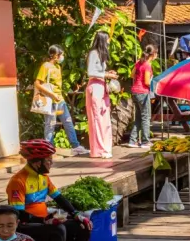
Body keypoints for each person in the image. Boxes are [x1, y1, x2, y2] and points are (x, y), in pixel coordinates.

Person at [7, 139, 93, 241]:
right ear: (37, 162)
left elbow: (59, 198)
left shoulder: (43, 177)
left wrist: (76, 214)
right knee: (58, 230)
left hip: (44, 221)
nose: (51, 163)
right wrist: (45, 219)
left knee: (82, 226)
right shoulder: (18, 181)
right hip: (26, 225)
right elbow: (18, 214)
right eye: (48, 160)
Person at [34, 45, 88, 156]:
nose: (62, 56)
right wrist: (52, 94)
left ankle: (75, 146)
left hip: (60, 100)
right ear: (55, 55)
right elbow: (37, 83)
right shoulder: (46, 66)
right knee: (50, 125)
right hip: (50, 100)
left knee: (68, 122)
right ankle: (49, 148)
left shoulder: (58, 67)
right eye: (61, 54)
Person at [85, 31, 119, 159]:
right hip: (95, 86)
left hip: (102, 87)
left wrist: (107, 72)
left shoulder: (101, 54)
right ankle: (99, 150)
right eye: (108, 39)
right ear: (103, 40)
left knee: (104, 119)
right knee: (97, 119)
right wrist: (106, 75)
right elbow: (90, 72)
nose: (109, 42)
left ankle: (105, 148)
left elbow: (98, 71)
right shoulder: (93, 53)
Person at [122, 43, 156, 149]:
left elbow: (132, 75)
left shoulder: (139, 63)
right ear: (153, 54)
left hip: (135, 92)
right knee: (146, 117)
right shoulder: (147, 65)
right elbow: (146, 82)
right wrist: (153, 81)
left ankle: (132, 140)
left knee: (138, 117)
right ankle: (145, 141)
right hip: (143, 92)